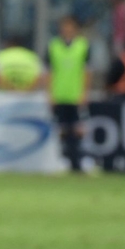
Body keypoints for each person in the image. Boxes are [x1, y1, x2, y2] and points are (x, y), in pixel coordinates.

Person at [45, 15, 91, 173]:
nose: (67, 29)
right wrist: (50, 94)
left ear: (75, 29)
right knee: (62, 130)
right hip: (60, 94)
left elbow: (87, 72)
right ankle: (64, 161)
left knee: (78, 129)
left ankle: (78, 162)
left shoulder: (82, 46)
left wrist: (84, 93)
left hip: (75, 94)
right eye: (65, 26)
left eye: (70, 26)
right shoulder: (53, 46)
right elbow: (50, 72)